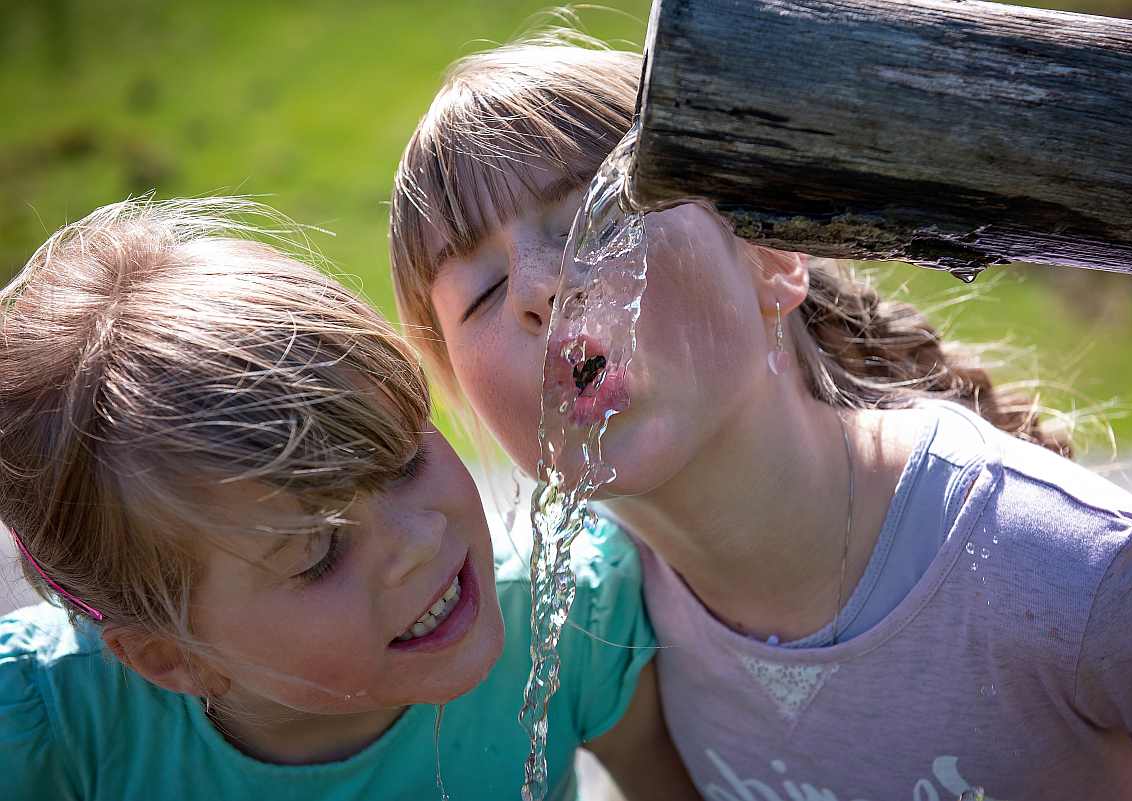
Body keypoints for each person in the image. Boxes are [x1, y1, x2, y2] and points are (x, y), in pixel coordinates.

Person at [388, 36, 1132, 800]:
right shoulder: (601, 626)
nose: (540, 289)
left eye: (594, 222)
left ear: (773, 259)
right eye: (484, 293)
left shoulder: (1062, 561)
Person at [0, 197, 697, 801]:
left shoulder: (569, 619)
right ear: (170, 657)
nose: (420, 538)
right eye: (320, 551)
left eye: (403, 457)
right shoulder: (51, 727)